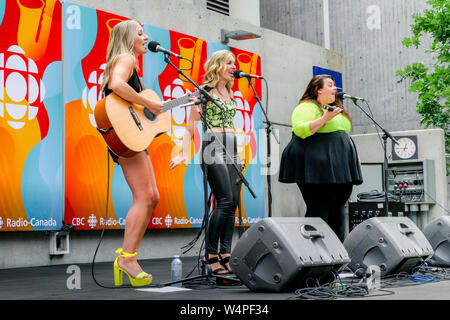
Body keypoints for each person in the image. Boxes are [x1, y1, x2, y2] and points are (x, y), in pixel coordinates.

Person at [101, 20, 163, 286]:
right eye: (140, 33)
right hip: (123, 134)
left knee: (152, 196)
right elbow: (116, 85)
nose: (145, 37)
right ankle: (127, 258)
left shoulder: (128, 62)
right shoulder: (125, 57)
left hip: (129, 135)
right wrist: (149, 101)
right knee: (145, 196)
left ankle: (128, 257)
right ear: (128, 38)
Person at [169, 50, 242, 275]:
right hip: (212, 146)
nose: (233, 67)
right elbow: (191, 126)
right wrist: (182, 152)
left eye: (234, 63)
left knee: (233, 204)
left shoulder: (230, 92)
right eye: (229, 63)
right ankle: (210, 255)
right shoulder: (204, 92)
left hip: (233, 149)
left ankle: (225, 252)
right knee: (224, 201)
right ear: (217, 65)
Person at [278, 74, 363, 242]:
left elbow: (343, 134)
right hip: (316, 166)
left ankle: (336, 258)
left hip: (339, 165)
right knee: (319, 209)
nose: (335, 89)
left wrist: (353, 155)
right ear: (318, 89)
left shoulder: (336, 109)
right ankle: (314, 255)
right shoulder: (307, 107)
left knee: (338, 211)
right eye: (330, 85)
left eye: (335, 85)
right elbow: (300, 130)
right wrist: (324, 118)